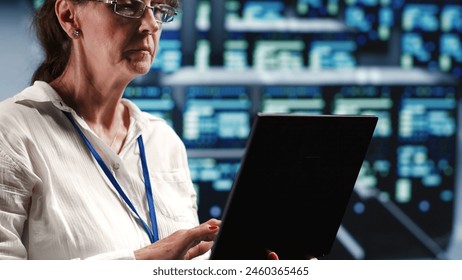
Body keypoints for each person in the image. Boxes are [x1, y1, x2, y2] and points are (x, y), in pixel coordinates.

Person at [0, 0, 224, 260]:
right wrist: (141, 262)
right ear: (69, 16)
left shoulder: (163, 141)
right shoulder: (10, 133)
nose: (151, 24)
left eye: (160, 9)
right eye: (128, 6)